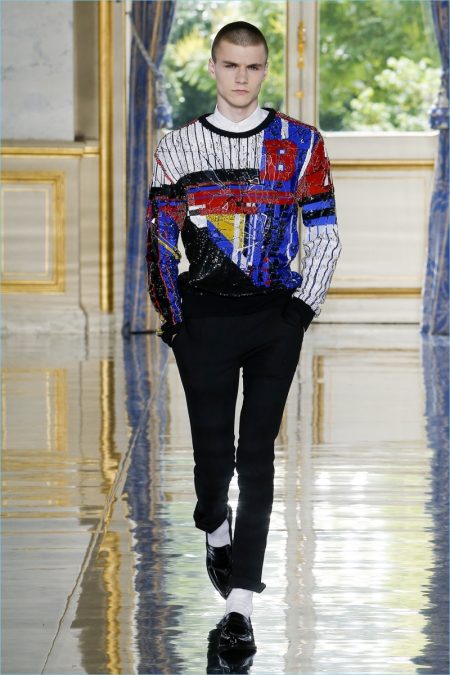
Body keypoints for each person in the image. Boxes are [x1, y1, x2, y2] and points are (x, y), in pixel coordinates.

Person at [145, 20, 341, 655]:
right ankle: (213, 522)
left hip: (274, 319)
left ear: (265, 70)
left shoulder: (301, 143)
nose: (241, 77)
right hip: (202, 319)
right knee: (214, 459)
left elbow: (325, 232)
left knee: (257, 456)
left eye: (253, 66)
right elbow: (160, 238)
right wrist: (175, 321)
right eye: (230, 65)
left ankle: (241, 609)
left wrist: (301, 310)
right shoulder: (177, 148)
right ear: (213, 67)